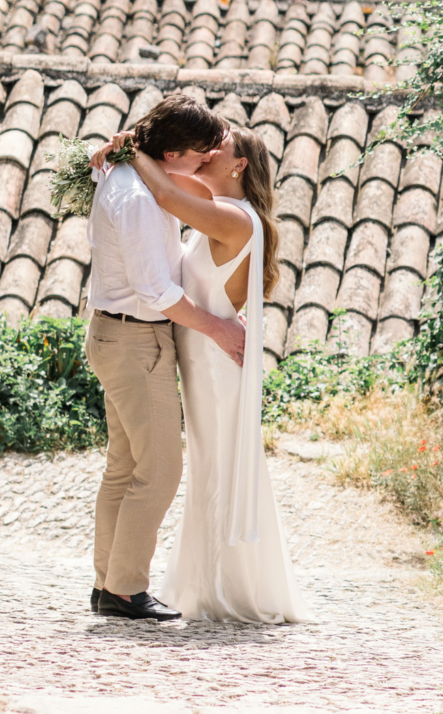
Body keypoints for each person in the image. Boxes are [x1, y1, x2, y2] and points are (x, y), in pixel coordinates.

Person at [93, 123, 307, 624]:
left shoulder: (233, 218)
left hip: (213, 363)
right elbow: (169, 180)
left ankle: (227, 585)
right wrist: (108, 154)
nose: (208, 153)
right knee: (198, 466)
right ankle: (146, 582)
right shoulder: (220, 207)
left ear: (238, 166)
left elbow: (164, 190)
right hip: (198, 354)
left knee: (215, 467)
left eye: (221, 148)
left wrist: (131, 148)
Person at [85, 93, 246, 623]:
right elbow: (155, 290)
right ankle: (126, 590)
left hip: (119, 336)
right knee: (159, 470)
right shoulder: (135, 198)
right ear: (174, 154)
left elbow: (111, 167)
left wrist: (116, 149)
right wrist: (218, 327)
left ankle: (109, 583)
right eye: (200, 155)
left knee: (125, 466)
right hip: (136, 340)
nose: (205, 165)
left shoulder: (129, 175)